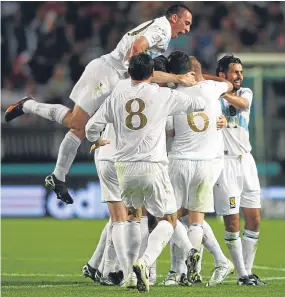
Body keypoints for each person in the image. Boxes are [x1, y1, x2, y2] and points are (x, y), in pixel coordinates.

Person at [5, 4, 194, 205]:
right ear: (174, 18)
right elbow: (138, 46)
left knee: (80, 128)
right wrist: (138, 73)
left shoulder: (159, 27)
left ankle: (58, 177)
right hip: (107, 73)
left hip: (111, 74)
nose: (187, 30)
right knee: (76, 124)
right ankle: (28, 106)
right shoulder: (162, 30)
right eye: (186, 23)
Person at [85, 53, 204, 293]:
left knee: (131, 216)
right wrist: (190, 83)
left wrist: (96, 141)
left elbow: (90, 128)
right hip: (153, 166)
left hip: (124, 168)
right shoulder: (162, 95)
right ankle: (146, 262)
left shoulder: (116, 98)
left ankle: (129, 274)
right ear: (152, 74)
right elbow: (197, 104)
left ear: (129, 73)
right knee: (169, 219)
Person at [82, 55, 171, 287]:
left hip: (108, 157)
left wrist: (95, 140)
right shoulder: (153, 93)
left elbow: (91, 126)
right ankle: (133, 270)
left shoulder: (117, 88)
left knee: (121, 219)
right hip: (132, 159)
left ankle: (112, 270)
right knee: (137, 217)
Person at [164, 52, 234, 286]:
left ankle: (178, 271)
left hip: (179, 161)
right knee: (195, 219)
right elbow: (228, 83)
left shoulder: (174, 96)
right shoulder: (212, 89)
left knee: (171, 218)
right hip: (206, 163)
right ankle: (195, 270)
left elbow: (169, 130)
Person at [212, 55, 265, 286]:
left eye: (241, 72)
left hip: (247, 161)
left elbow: (243, 105)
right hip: (225, 163)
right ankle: (243, 274)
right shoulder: (209, 97)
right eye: (235, 72)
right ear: (223, 74)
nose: (240, 76)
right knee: (232, 222)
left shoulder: (245, 93)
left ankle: (248, 270)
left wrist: (220, 90)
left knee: (254, 219)